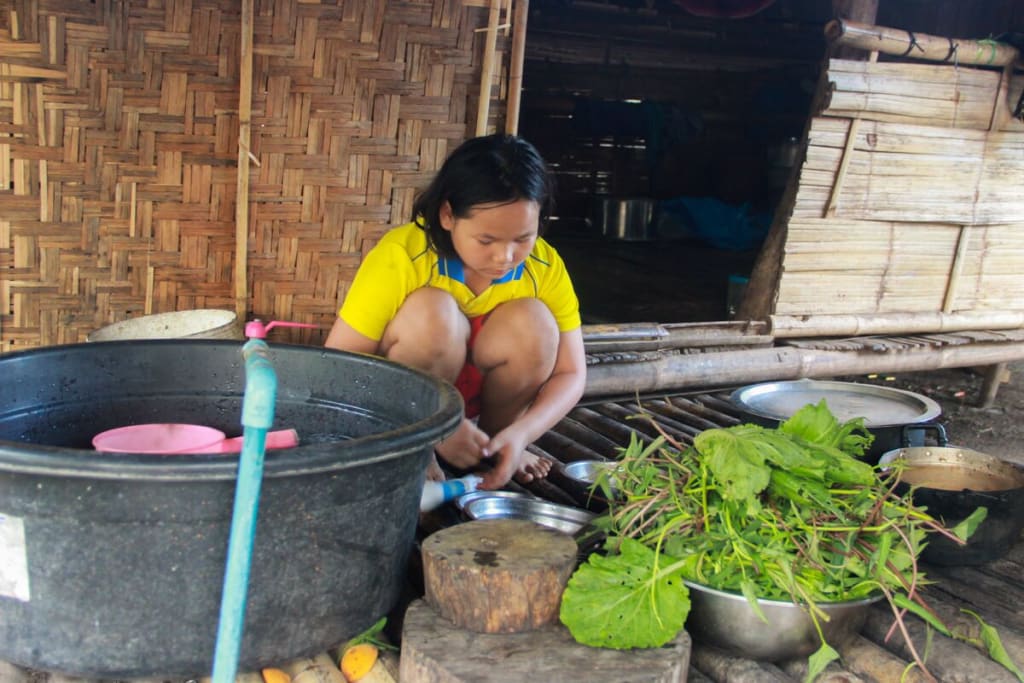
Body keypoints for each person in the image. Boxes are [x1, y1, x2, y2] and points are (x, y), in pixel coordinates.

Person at [324, 133, 586, 490]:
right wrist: (434, 419)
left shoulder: (545, 266)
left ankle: (494, 445)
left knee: (535, 324)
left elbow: (572, 373)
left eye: (522, 238)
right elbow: (339, 362)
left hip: (486, 409)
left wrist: (522, 433)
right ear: (448, 215)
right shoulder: (403, 254)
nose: (505, 257)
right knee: (433, 314)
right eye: (487, 240)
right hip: (407, 407)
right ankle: (420, 446)